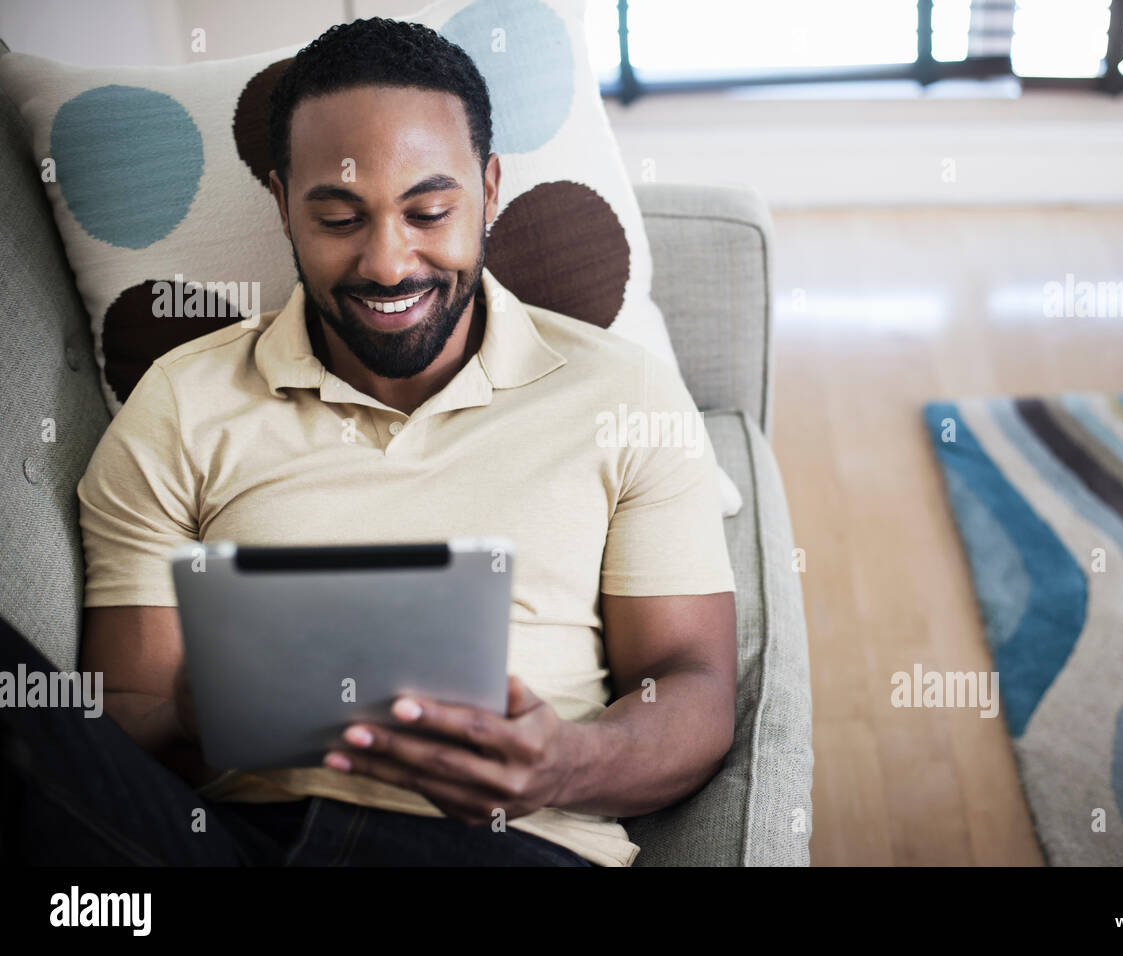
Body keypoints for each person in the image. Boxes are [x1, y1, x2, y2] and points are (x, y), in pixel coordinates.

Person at [0, 17, 736, 868]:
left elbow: (695, 686)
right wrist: (192, 718)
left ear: (490, 189)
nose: (389, 263)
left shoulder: (623, 393)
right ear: (282, 205)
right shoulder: (181, 404)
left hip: (504, 850)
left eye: (428, 211)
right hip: (238, 847)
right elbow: (122, 711)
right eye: (341, 217)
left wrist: (564, 765)